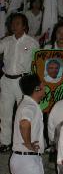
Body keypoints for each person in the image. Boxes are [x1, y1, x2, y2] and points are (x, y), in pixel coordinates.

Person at [0, 13, 39, 151]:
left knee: (23, 112)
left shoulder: (32, 42)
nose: (14, 26)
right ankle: (5, 142)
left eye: (17, 23)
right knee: (5, 113)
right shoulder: (6, 41)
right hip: (6, 80)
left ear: (24, 26)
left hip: (23, 81)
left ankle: (22, 142)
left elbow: (37, 63)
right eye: (12, 23)